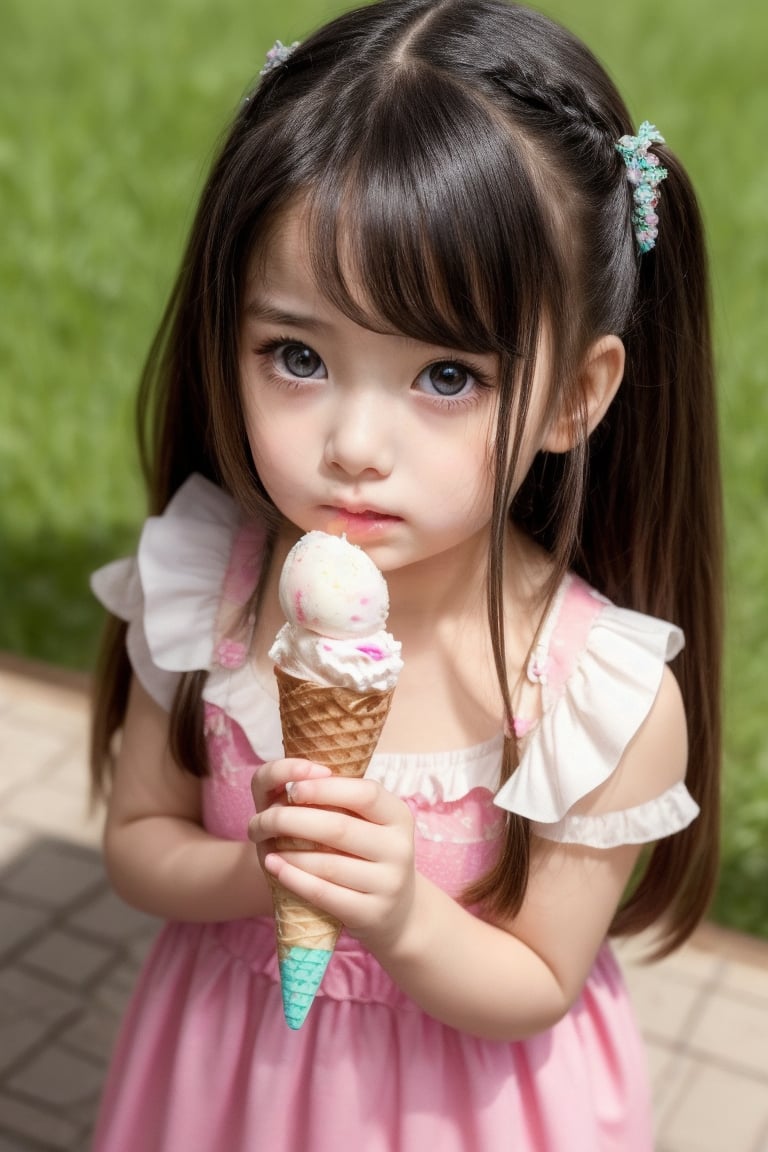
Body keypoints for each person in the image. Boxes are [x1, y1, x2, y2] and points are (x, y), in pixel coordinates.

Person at [88, 1, 723, 1148]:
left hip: (466, 1110)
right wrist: (259, 873)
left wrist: (397, 913)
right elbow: (138, 841)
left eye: (444, 376)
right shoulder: (210, 588)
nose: (354, 445)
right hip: (229, 1087)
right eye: (298, 356)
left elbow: (539, 976)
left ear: (579, 395)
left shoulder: (597, 694)